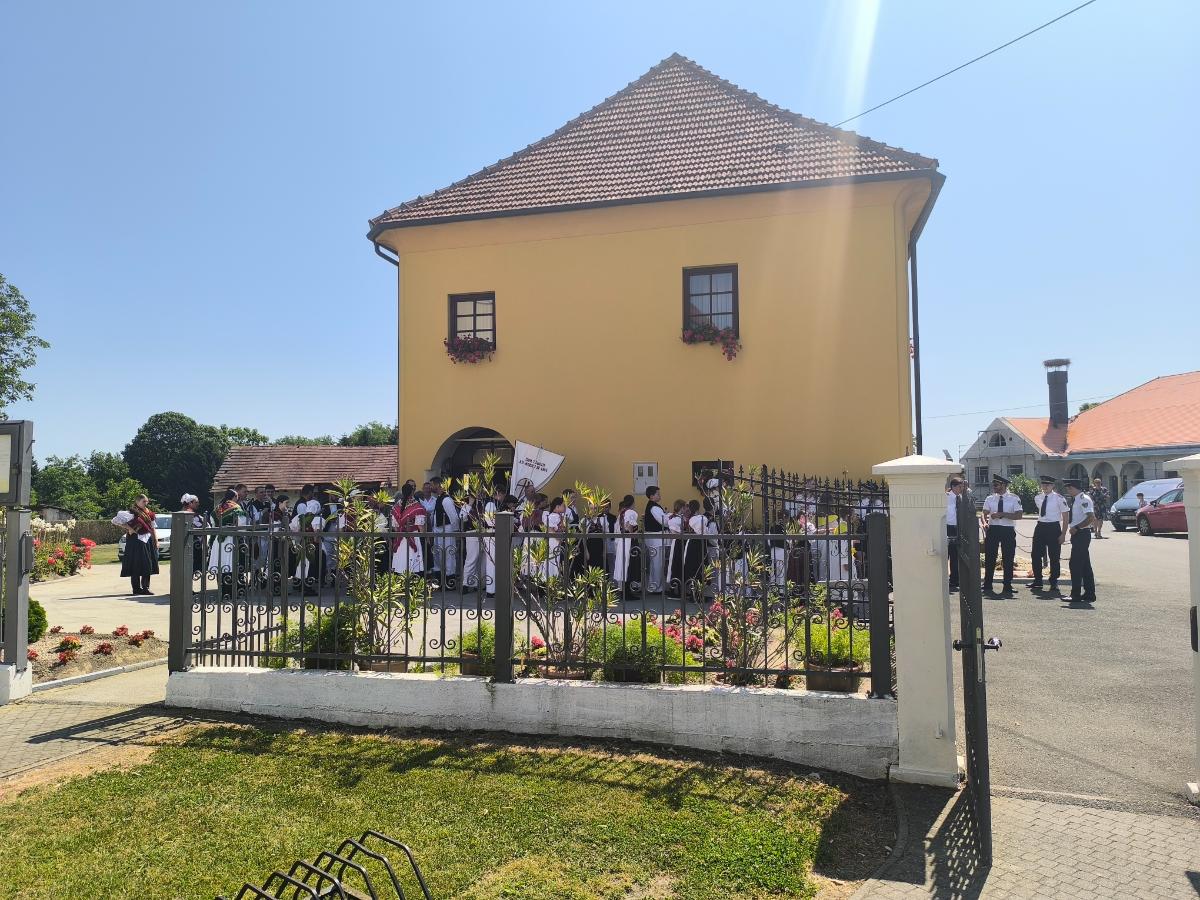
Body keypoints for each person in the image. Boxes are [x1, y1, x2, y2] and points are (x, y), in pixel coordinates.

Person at [981, 474, 1021, 594]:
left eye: (996, 485)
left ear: (1004, 485)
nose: (994, 487)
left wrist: (1002, 514)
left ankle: (1007, 585)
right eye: (993, 485)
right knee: (990, 557)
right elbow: (984, 513)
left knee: (1008, 558)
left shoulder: (1014, 498)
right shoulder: (990, 498)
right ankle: (987, 584)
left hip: (1007, 530)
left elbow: (1019, 515)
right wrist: (984, 523)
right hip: (993, 529)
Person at [114, 494, 159, 596]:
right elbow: (115, 521)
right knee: (136, 564)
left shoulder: (149, 513)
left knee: (148, 564)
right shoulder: (131, 512)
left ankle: (146, 588)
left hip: (147, 540)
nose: (146, 503)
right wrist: (129, 528)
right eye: (143, 501)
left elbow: (152, 527)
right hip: (135, 540)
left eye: (146, 501)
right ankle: (136, 589)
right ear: (137, 502)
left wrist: (155, 540)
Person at [1031, 475, 1070, 592]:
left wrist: (1063, 534)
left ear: (1053, 485)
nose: (1045, 486)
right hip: (1040, 526)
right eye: (1043, 484)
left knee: (1054, 556)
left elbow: (1065, 516)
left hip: (1053, 527)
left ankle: (1054, 581)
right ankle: (1038, 580)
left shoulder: (1059, 498)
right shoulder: (1038, 497)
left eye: (1047, 484)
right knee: (1035, 554)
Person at [208, 488, 247, 599]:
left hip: (218, 540)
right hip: (231, 539)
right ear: (234, 497)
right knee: (233, 564)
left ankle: (223, 591)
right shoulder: (236, 507)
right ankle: (235, 591)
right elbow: (242, 524)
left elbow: (212, 523)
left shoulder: (217, 509)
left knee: (221, 565)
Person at [1064, 479, 1098, 603]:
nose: (1068, 490)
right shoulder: (1077, 499)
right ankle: (1089, 593)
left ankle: (1075, 594)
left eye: (1069, 488)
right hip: (1079, 534)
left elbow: (1091, 517)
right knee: (1084, 565)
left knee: (1075, 564)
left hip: (1081, 533)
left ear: (1074, 488)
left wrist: (1077, 527)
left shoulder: (1084, 499)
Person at [429, 477, 460, 583]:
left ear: (437, 485)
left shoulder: (446, 499)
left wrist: (455, 532)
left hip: (447, 530)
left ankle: (449, 578)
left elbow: (453, 517)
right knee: (438, 555)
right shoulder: (439, 498)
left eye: (432, 485)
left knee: (448, 555)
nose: (430, 487)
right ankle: (440, 578)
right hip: (438, 530)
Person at [390, 483, 427, 574]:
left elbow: (395, 527)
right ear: (412, 492)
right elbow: (421, 528)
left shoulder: (395, 507)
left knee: (401, 563)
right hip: (413, 536)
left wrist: (402, 529)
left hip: (400, 538)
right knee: (412, 564)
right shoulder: (417, 507)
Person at [612, 495, 640, 598]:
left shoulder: (621, 513)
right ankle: (627, 592)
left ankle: (624, 590)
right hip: (629, 541)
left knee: (624, 565)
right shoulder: (631, 512)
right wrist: (633, 533)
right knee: (629, 565)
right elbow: (629, 527)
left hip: (621, 541)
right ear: (632, 503)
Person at [643, 486, 668, 594]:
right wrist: (670, 517)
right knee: (657, 564)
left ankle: (655, 586)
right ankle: (656, 587)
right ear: (652, 496)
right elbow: (664, 522)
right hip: (655, 539)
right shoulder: (654, 508)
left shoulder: (653, 506)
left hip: (654, 538)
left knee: (656, 563)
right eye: (658, 494)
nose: (660, 495)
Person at [946, 477, 966, 592]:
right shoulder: (946, 497)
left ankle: (955, 579)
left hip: (957, 529)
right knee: (947, 555)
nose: (961, 489)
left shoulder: (961, 498)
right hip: (947, 528)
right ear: (953, 486)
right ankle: (944, 579)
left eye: (962, 487)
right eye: (959, 487)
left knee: (955, 555)